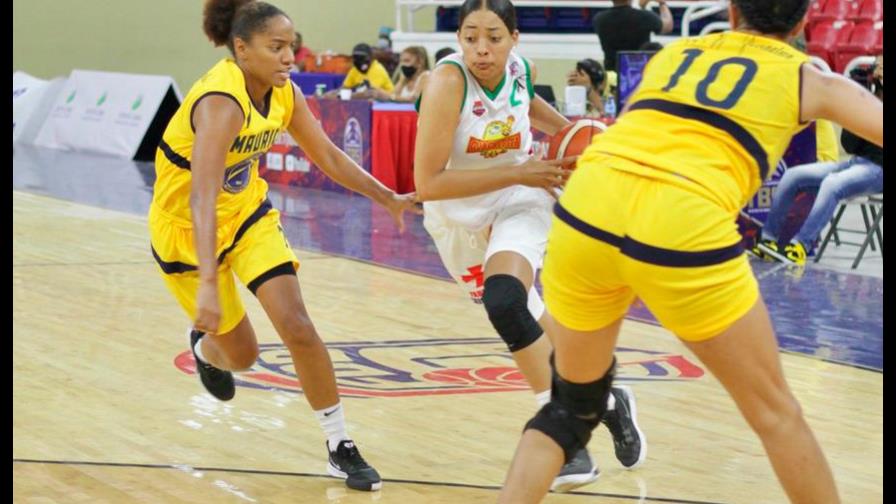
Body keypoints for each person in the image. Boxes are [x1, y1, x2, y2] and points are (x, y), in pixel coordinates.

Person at [498, 0, 882, 502]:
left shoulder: (675, 55)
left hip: (588, 204)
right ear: (803, 21)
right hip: (680, 215)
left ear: (730, 11)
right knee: (776, 414)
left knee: (571, 407)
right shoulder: (810, 77)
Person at [149, 0, 419, 492]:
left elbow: (330, 157)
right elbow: (201, 199)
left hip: (248, 216)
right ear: (241, 49)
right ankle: (208, 351)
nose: (288, 57)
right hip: (188, 230)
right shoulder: (220, 102)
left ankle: (339, 444)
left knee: (297, 325)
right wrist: (209, 285)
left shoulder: (285, 94)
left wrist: (386, 196)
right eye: (276, 48)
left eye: (291, 46)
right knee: (244, 356)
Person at [414, 0, 646, 493]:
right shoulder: (447, 83)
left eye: (494, 37)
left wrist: (575, 135)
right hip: (456, 216)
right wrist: (522, 168)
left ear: (514, 38)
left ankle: (564, 439)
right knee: (532, 324)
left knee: (505, 300)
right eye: (471, 35)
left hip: (519, 199)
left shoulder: (521, 68)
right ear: (458, 37)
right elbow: (428, 183)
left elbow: (530, 109)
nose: (482, 48)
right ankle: (607, 401)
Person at [755, 54, 883, 265]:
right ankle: (768, 240)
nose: (880, 69)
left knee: (833, 183)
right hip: (857, 163)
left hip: (878, 170)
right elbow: (850, 146)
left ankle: (800, 246)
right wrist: (859, 100)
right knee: (793, 175)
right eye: (878, 65)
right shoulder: (872, 97)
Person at [592, 0, 673, 72]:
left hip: (612, 74)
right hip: (639, 72)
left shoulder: (599, 19)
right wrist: (662, 3)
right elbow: (667, 26)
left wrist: (643, 8)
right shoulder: (643, 17)